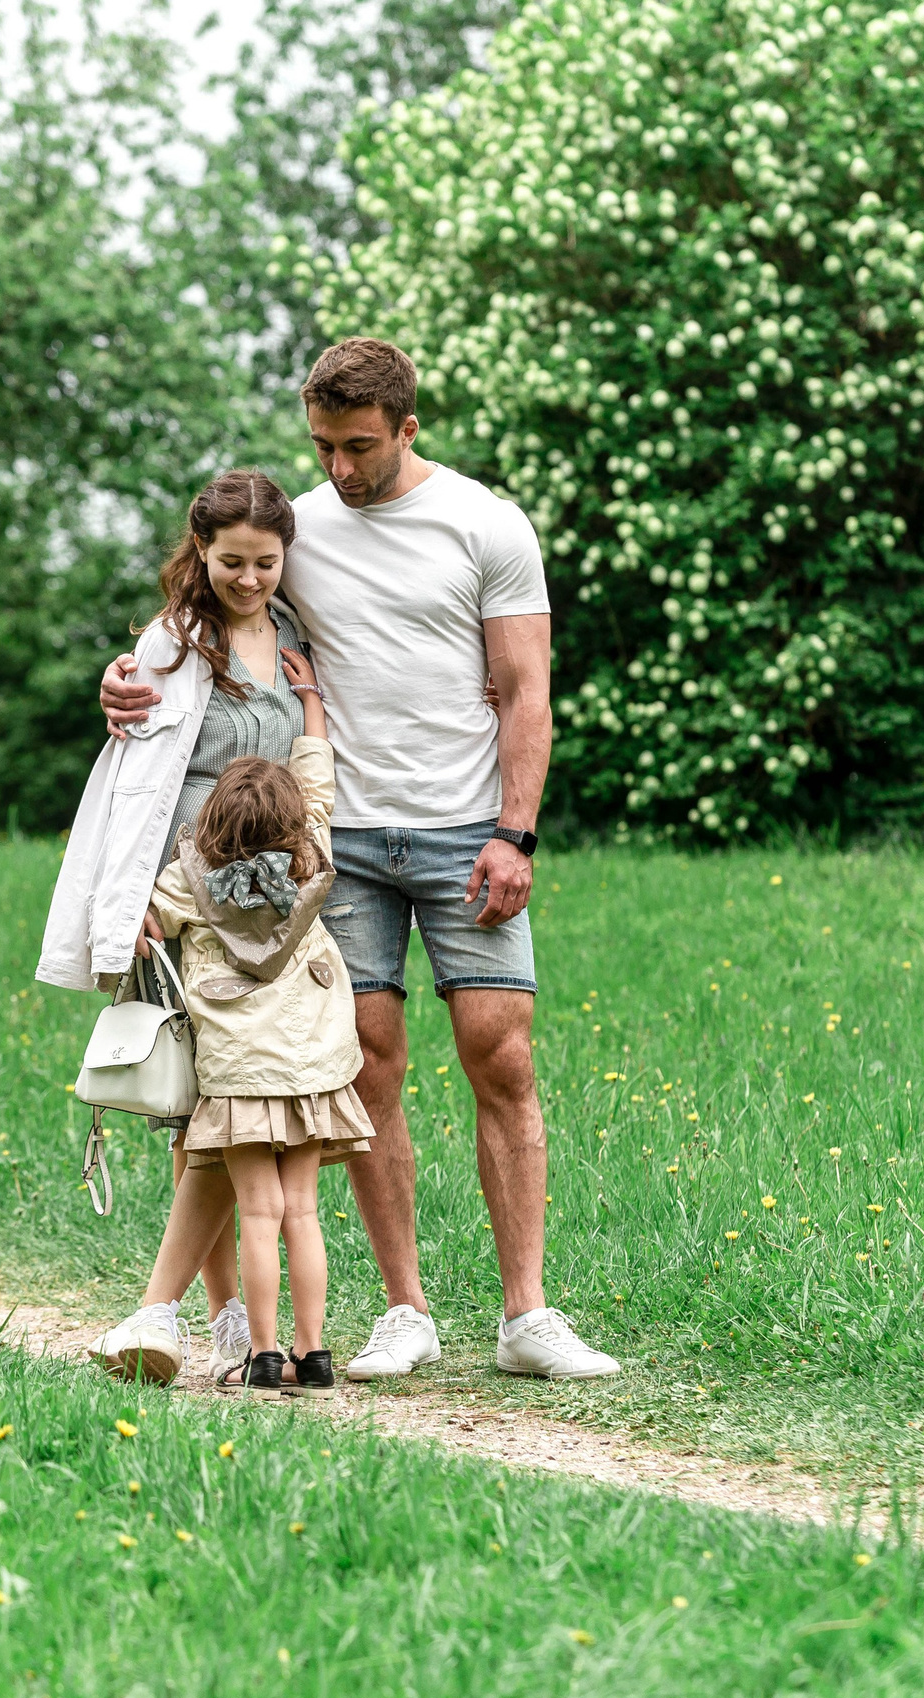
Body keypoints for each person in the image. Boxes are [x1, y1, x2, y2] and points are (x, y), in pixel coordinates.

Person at [99, 338, 619, 1381]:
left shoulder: (487, 524)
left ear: (408, 429)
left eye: (360, 447)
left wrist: (515, 831)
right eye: (323, 447)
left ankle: (527, 1316)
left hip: (465, 828)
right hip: (335, 852)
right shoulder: (296, 530)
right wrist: (123, 679)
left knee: (499, 1053)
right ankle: (403, 1308)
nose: (338, 469)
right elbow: (210, 619)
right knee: (367, 1062)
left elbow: (526, 691)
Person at [39, 470, 309, 1384]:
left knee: (236, 1116)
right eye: (230, 561)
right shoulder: (171, 646)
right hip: (187, 901)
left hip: (273, 909)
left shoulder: (295, 636)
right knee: (213, 1114)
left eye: (265, 562)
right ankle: (177, 1309)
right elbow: (134, 783)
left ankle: (224, 1316)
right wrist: (140, 902)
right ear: (200, 552)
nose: (248, 578)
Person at [146, 742, 368, 1392]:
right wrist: (311, 714)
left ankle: (264, 1354)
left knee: (259, 1212)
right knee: (302, 1210)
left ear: (213, 820)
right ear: (291, 825)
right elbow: (319, 792)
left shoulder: (188, 879)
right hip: (309, 1069)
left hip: (240, 1072)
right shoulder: (310, 861)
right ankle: (314, 1351)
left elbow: (147, 924)